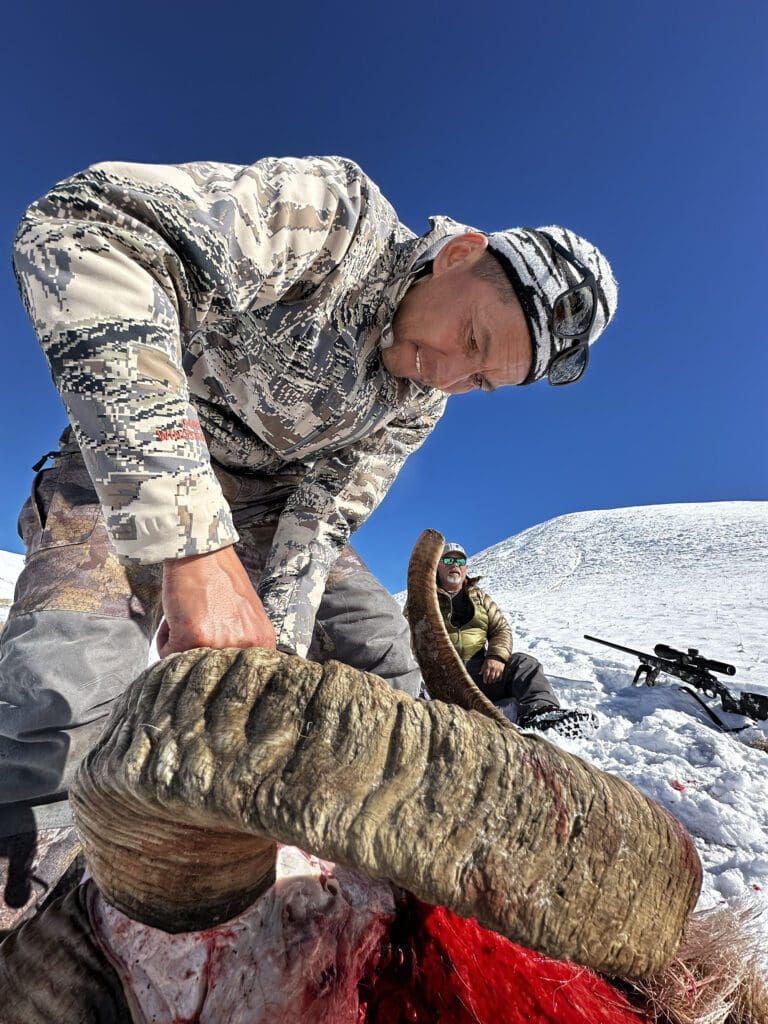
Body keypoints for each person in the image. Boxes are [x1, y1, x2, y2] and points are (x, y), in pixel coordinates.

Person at [1, 155, 617, 926]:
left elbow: (320, 519)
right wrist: (193, 547)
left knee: (377, 649)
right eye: (469, 334)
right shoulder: (331, 221)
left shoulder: (419, 402)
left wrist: (268, 669)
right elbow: (86, 224)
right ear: (461, 253)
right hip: (134, 456)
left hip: (272, 508)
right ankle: (30, 888)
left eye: (480, 380)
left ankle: (398, 853)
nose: (449, 373)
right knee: (69, 669)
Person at [435, 542, 598, 738]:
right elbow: (408, 633)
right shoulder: (425, 597)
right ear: (438, 566)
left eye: (460, 560)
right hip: (440, 677)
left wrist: (496, 656)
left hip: (479, 672)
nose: (455, 565)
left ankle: (540, 714)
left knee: (524, 663)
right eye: (448, 560)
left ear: (466, 567)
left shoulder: (480, 598)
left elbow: (501, 629)